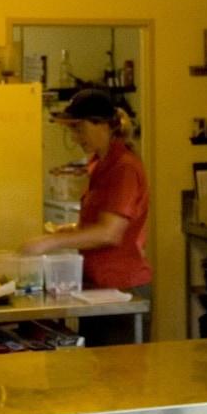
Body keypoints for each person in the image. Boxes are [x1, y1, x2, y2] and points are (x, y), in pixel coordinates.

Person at [22, 89, 150, 342]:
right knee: (95, 372)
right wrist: (71, 229)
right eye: (72, 129)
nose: (76, 136)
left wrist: (50, 242)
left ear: (103, 125)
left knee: (120, 376)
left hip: (121, 286)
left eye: (79, 128)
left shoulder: (124, 166)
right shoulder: (99, 164)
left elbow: (110, 232)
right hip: (98, 283)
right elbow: (103, 220)